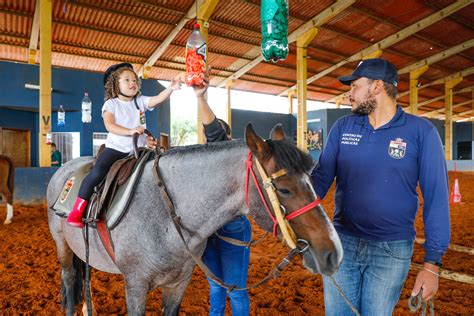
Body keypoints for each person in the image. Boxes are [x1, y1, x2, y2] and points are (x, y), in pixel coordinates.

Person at [311, 58, 450, 315]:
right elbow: (318, 182)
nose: (349, 93)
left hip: (391, 250)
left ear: (376, 87)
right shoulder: (343, 127)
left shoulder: (421, 132)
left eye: (355, 86)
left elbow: (437, 200)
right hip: (343, 244)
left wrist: (432, 265)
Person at [146, 70, 251, 315]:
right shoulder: (200, 162)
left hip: (231, 229)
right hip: (204, 231)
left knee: (235, 290)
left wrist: (201, 99)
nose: (208, 137)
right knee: (215, 285)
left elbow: (215, 133)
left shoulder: (227, 155)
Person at [67, 62, 181, 228]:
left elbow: (156, 100)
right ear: (115, 84)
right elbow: (110, 125)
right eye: (127, 80)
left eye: (134, 80)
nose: (132, 83)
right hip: (116, 150)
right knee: (97, 174)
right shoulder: (111, 104)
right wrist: (131, 131)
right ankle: (77, 211)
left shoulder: (139, 102)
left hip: (139, 151)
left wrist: (170, 89)